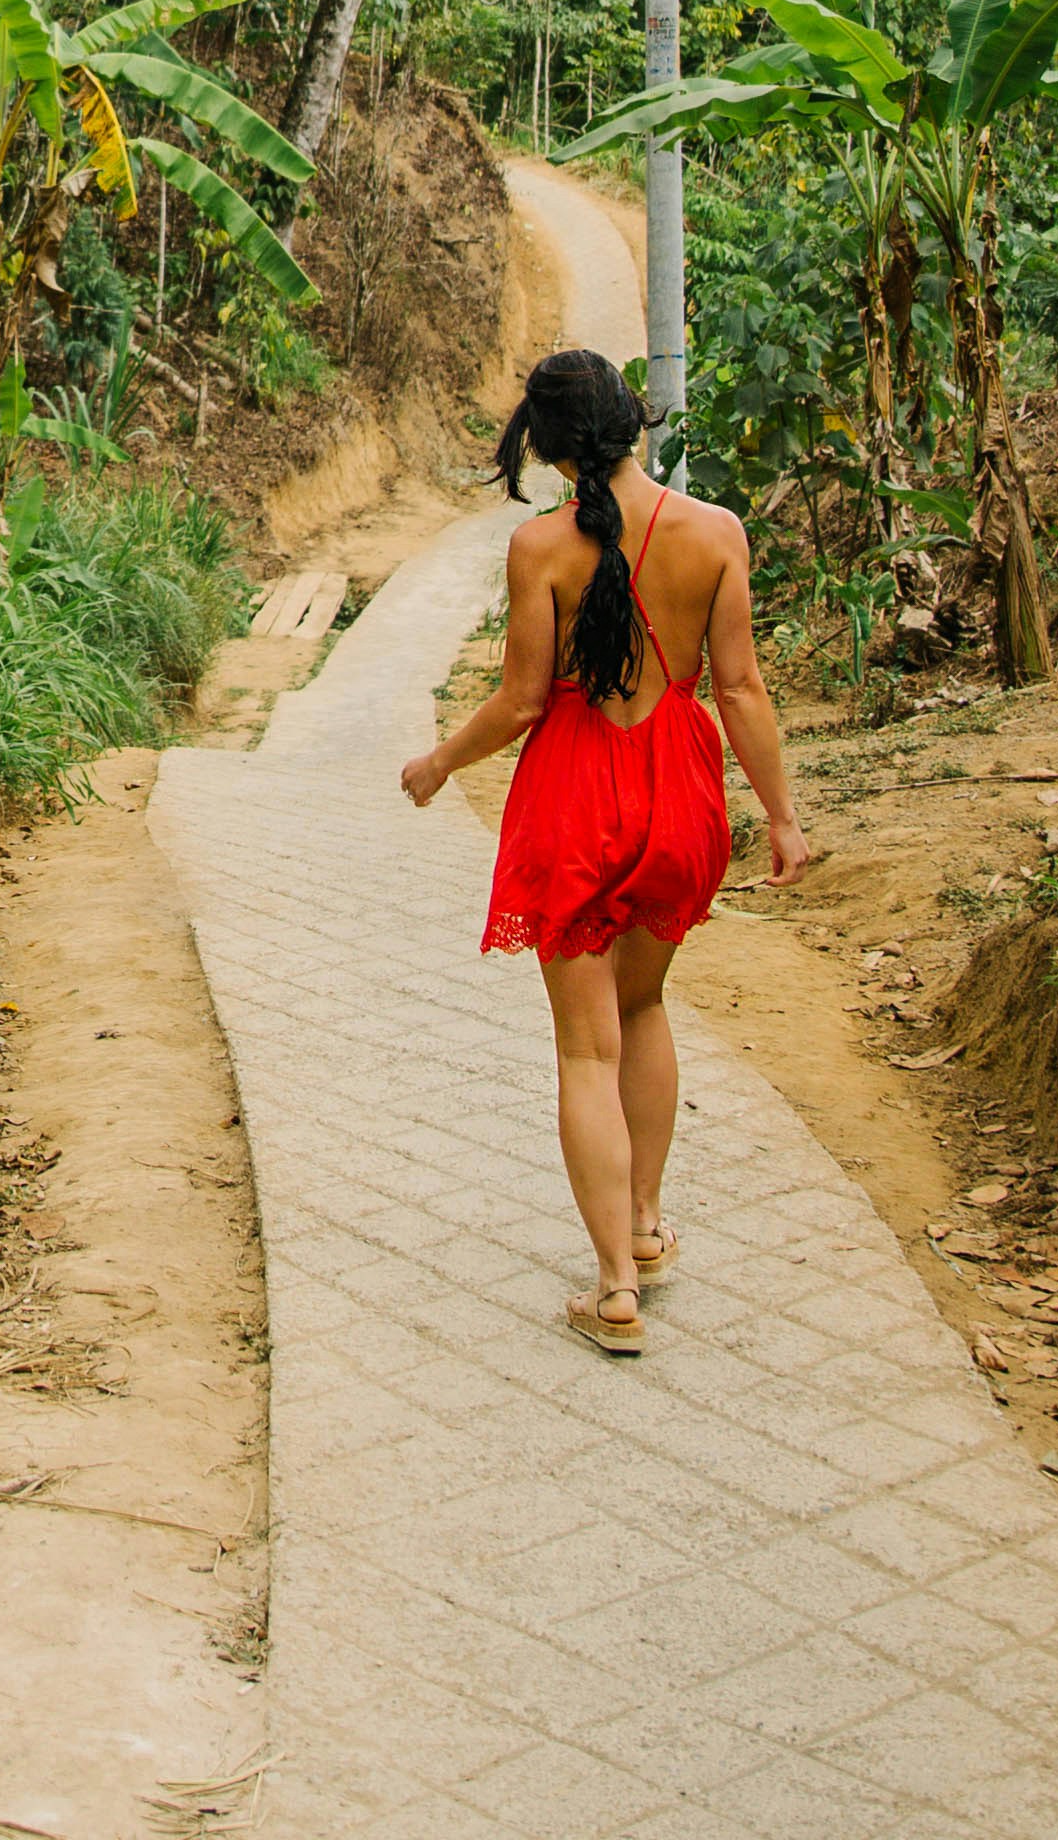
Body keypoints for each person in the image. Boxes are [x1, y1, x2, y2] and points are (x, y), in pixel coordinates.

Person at [398, 346, 817, 1358]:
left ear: (547, 448)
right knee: (644, 1005)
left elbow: (525, 701)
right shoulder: (718, 535)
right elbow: (742, 688)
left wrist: (442, 761)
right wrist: (784, 816)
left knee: (588, 1046)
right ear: (635, 420)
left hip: (576, 794)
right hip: (679, 790)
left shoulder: (542, 549)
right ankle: (644, 1224)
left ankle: (615, 1288)